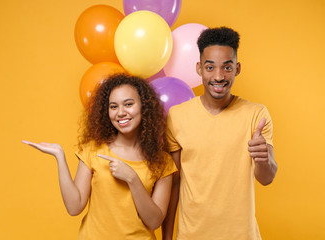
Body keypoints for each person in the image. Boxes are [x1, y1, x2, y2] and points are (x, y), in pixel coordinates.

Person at [22, 73, 177, 240]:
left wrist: (132, 179)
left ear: (144, 107)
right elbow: (74, 207)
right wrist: (60, 157)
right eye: (113, 106)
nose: (121, 113)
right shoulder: (94, 150)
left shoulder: (162, 161)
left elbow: (154, 222)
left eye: (129, 104)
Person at [162, 27, 278, 240]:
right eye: (210, 67)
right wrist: (167, 237)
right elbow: (174, 183)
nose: (218, 76)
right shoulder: (177, 116)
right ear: (199, 68)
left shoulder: (256, 114)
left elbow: (267, 178)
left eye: (227, 67)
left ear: (237, 68)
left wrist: (263, 159)